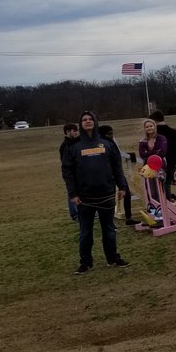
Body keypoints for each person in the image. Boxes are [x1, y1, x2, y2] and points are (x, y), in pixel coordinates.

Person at [61, 109, 130, 274]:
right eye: (84, 119)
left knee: (109, 230)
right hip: (84, 198)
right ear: (80, 124)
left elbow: (117, 166)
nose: (87, 121)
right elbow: (67, 172)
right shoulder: (73, 146)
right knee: (85, 233)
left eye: (90, 119)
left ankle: (112, 258)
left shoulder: (107, 143)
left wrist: (122, 186)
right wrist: (73, 194)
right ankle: (85, 262)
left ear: (95, 121)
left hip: (106, 194)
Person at [100, 124, 135, 226]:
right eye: (109, 134)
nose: (111, 136)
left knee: (127, 193)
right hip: (106, 175)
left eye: (112, 133)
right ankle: (109, 222)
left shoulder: (112, 142)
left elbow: (117, 156)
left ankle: (129, 218)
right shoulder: (101, 144)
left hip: (117, 172)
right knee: (109, 198)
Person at [138, 118, 168, 206]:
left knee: (161, 188)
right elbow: (142, 154)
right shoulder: (143, 141)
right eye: (147, 127)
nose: (149, 128)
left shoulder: (161, 138)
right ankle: (154, 207)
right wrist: (155, 152)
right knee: (151, 190)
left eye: (151, 126)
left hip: (160, 167)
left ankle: (163, 207)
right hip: (148, 168)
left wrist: (149, 153)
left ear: (154, 126)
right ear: (145, 128)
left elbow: (162, 152)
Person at [152, 111, 176, 196]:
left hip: (157, 163)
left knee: (157, 186)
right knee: (167, 184)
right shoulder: (173, 132)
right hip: (171, 162)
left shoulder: (154, 134)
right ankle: (167, 201)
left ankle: (160, 201)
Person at [58, 123, 80, 222]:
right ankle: (74, 213)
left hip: (78, 172)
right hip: (71, 173)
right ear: (68, 132)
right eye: (74, 131)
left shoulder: (73, 143)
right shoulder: (65, 145)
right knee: (72, 192)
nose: (76, 133)